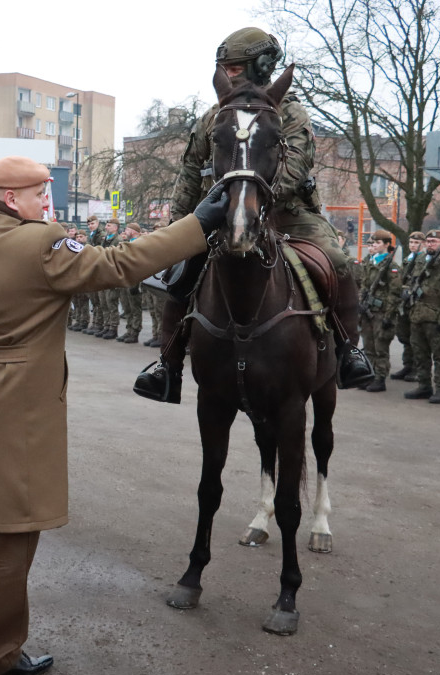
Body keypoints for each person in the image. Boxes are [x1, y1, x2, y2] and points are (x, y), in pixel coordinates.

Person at [0, 155, 226, 675]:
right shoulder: (41, 242)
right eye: (40, 194)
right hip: (16, 406)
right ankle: (0, 656)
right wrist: (197, 225)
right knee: (12, 530)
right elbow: (120, 263)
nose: (47, 204)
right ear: (12, 198)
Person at [151, 26, 372, 403]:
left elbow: (296, 166)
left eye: (235, 67)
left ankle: (349, 350)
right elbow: (191, 170)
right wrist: (179, 225)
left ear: (263, 64)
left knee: (337, 261)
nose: (228, 74)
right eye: (224, 68)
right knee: (179, 270)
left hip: (289, 214)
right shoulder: (214, 115)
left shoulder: (291, 112)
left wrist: (256, 200)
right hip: (223, 212)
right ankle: (167, 365)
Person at [402, 230, 440, 404]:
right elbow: (410, 281)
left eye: (434, 241)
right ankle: (424, 386)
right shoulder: (420, 261)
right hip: (417, 315)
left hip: (436, 317)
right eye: (428, 241)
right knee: (420, 354)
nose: (430, 244)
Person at [357, 230, 401, 392]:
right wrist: (361, 304)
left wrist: (388, 316)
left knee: (380, 347)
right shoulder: (369, 262)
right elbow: (363, 286)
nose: (374, 246)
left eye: (377, 243)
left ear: (387, 245)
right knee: (368, 346)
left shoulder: (392, 268)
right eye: (372, 243)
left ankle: (380, 378)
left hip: (382, 312)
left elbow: (394, 294)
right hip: (368, 311)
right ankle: (370, 376)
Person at [390, 231, 427, 381]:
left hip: (417, 304)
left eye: (416, 243)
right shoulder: (408, 260)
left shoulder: (424, 260)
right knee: (405, 336)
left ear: (423, 244)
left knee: (417, 339)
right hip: (405, 303)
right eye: (411, 243)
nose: (413, 245)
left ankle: (417, 369)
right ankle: (408, 365)